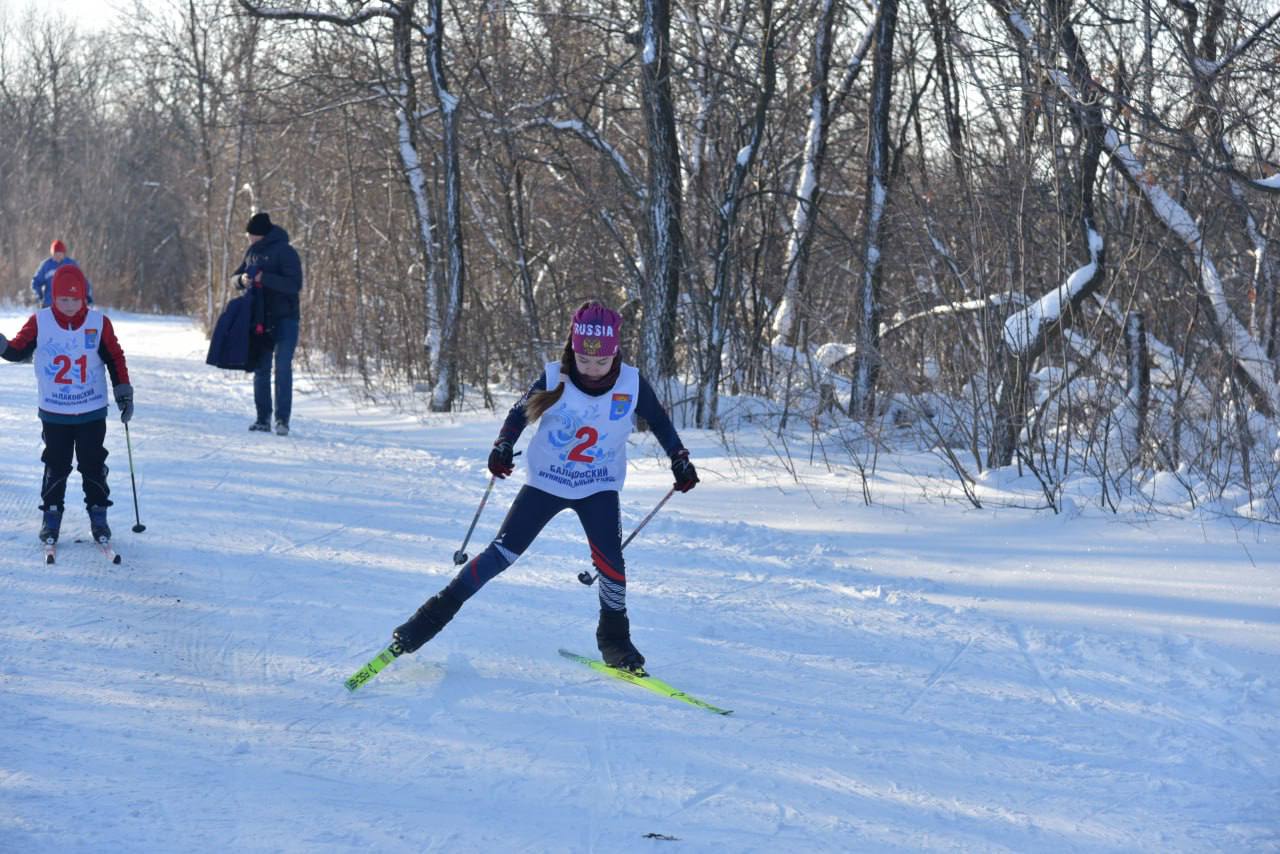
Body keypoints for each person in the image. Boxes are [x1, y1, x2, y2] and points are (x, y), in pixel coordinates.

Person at [391, 301, 700, 672]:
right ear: (573, 348)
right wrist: (502, 446)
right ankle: (428, 619)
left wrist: (679, 458)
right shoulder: (555, 378)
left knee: (612, 565)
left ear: (615, 352)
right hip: (547, 482)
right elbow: (516, 415)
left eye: (601, 362)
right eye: (584, 360)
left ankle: (615, 642)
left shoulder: (632, 383)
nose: (591, 368)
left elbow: (662, 423)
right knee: (500, 556)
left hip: (598, 486)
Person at [0, 265, 133, 545]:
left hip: (91, 409)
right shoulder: (40, 322)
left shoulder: (99, 323)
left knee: (92, 463)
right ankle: (51, 515)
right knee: (56, 464)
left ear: (84, 298)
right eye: (64, 299)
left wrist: (123, 391)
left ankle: (98, 514)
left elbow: (115, 358)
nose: (70, 305)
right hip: (54, 411)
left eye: (75, 299)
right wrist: (3, 346)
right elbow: (17, 350)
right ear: (53, 298)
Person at [232, 212, 302, 436]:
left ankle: (282, 420)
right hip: (260, 319)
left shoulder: (286, 251)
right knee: (261, 369)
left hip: (285, 318)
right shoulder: (251, 252)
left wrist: (265, 279)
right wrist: (241, 280)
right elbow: (235, 277)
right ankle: (263, 419)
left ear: (262, 235)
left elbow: (294, 284)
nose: (249, 239)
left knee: (282, 368)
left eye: (251, 235)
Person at [30, 239, 94, 308]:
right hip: (50, 304)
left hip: (68, 305)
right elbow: (36, 282)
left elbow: (82, 281)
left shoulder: (71, 264)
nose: (58, 256)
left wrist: (87, 296)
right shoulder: (46, 266)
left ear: (63, 254)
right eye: (55, 254)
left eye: (60, 254)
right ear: (52, 254)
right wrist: (39, 295)